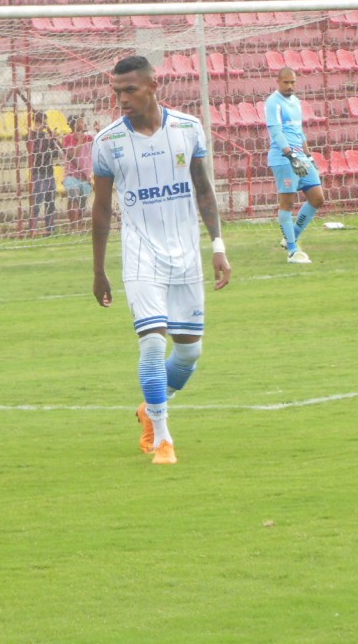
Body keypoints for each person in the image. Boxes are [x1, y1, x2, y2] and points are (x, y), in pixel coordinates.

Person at [92, 55, 231, 465]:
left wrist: (218, 246)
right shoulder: (108, 142)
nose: (122, 100)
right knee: (152, 343)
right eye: (116, 92)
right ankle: (163, 438)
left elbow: (203, 190)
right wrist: (98, 270)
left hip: (185, 253)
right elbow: (100, 209)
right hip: (140, 254)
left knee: (189, 353)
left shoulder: (188, 129)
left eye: (130, 90)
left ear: (155, 85)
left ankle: (148, 408)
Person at [264, 67, 325, 263]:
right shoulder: (273, 103)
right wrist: (291, 156)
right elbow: (276, 133)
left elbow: (300, 132)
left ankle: (292, 236)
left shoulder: (296, 102)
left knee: (317, 198)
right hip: (284, 158)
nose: (290, 86)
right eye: (286, 82)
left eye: (293, 82)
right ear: (278, 81)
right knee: (287, 203)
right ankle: (292, 250)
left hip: (301, 157)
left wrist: (308, 156)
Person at [27, 111, 63, 235]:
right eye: (43, 123)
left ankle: (50, 229)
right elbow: (37, 153)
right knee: (37, 203)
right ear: (37, 122)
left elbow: (55, 153)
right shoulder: (30, 136)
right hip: (38, 173)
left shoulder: (46, 136)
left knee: (50, 203)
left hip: (49, 172)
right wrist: (48, 141)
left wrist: (52, 141)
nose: (45, 126)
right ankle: (32, 229)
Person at [61, 115, 93, 228]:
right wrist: (79, 141)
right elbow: (71, 155)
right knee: (73, 197)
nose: (83, 124)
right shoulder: (67, 138)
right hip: (71, 175)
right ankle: (74, 224)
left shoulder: (89, 138)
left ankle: (78, 222)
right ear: (74, 125)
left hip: (85, 176)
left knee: (82, 203)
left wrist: (99, 132)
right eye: (81, 122)